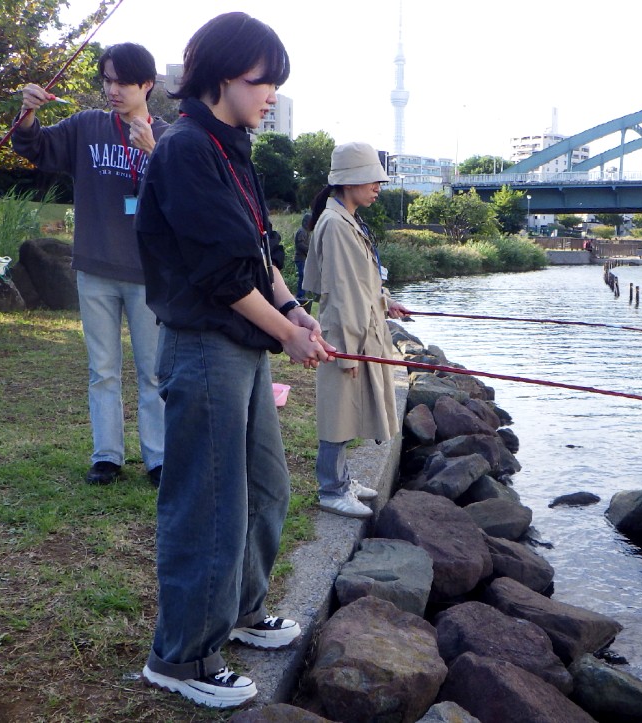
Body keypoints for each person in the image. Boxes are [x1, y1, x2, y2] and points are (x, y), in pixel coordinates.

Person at [133, 12, 333, 708]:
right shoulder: (186, 148)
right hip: (204, 345)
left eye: (276, 82)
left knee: (267, 487)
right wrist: (287, 332)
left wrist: (295, 310)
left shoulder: (231, 145)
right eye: (261, 81)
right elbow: (222, 274)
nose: (271, 92)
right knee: (209, 504)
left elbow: (258, 253)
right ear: (222, 77)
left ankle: (241, 610)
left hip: (242, 346)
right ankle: (182, 654)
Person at [12, 43, 168, 487]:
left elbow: (181, 196)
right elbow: (36, 147)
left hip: (147, 274)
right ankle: (107, 456)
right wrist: (27, 113)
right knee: (102, 369)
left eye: (122, 81)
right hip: (95, 267)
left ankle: (158, 459)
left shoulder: (170, 137)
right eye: (107, 80)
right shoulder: (86, 126)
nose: (112, 89)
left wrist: (153, 150)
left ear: (147, 84)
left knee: (153, 371)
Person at [304, 142, 409, 518]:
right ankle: (331, 489)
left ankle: (342, 481)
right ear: (349, 182)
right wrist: (346, 351)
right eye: (371, 180)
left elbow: (363, 283)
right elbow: (344, 292)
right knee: (338, 413)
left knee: (346, 411)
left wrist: (387, 301)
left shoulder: (345, 218)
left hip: (357, 329)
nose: (377, 186)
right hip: (344, 333)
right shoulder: (335, 224)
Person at [294, 211, 311, 307]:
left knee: (304, 276)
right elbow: (300, 245)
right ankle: (300, 295)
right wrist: (309, 250)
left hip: (304, 258)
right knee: (302, 276)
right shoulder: (302, 231)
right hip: (300, 258)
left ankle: (302, 294)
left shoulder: (306, 232)